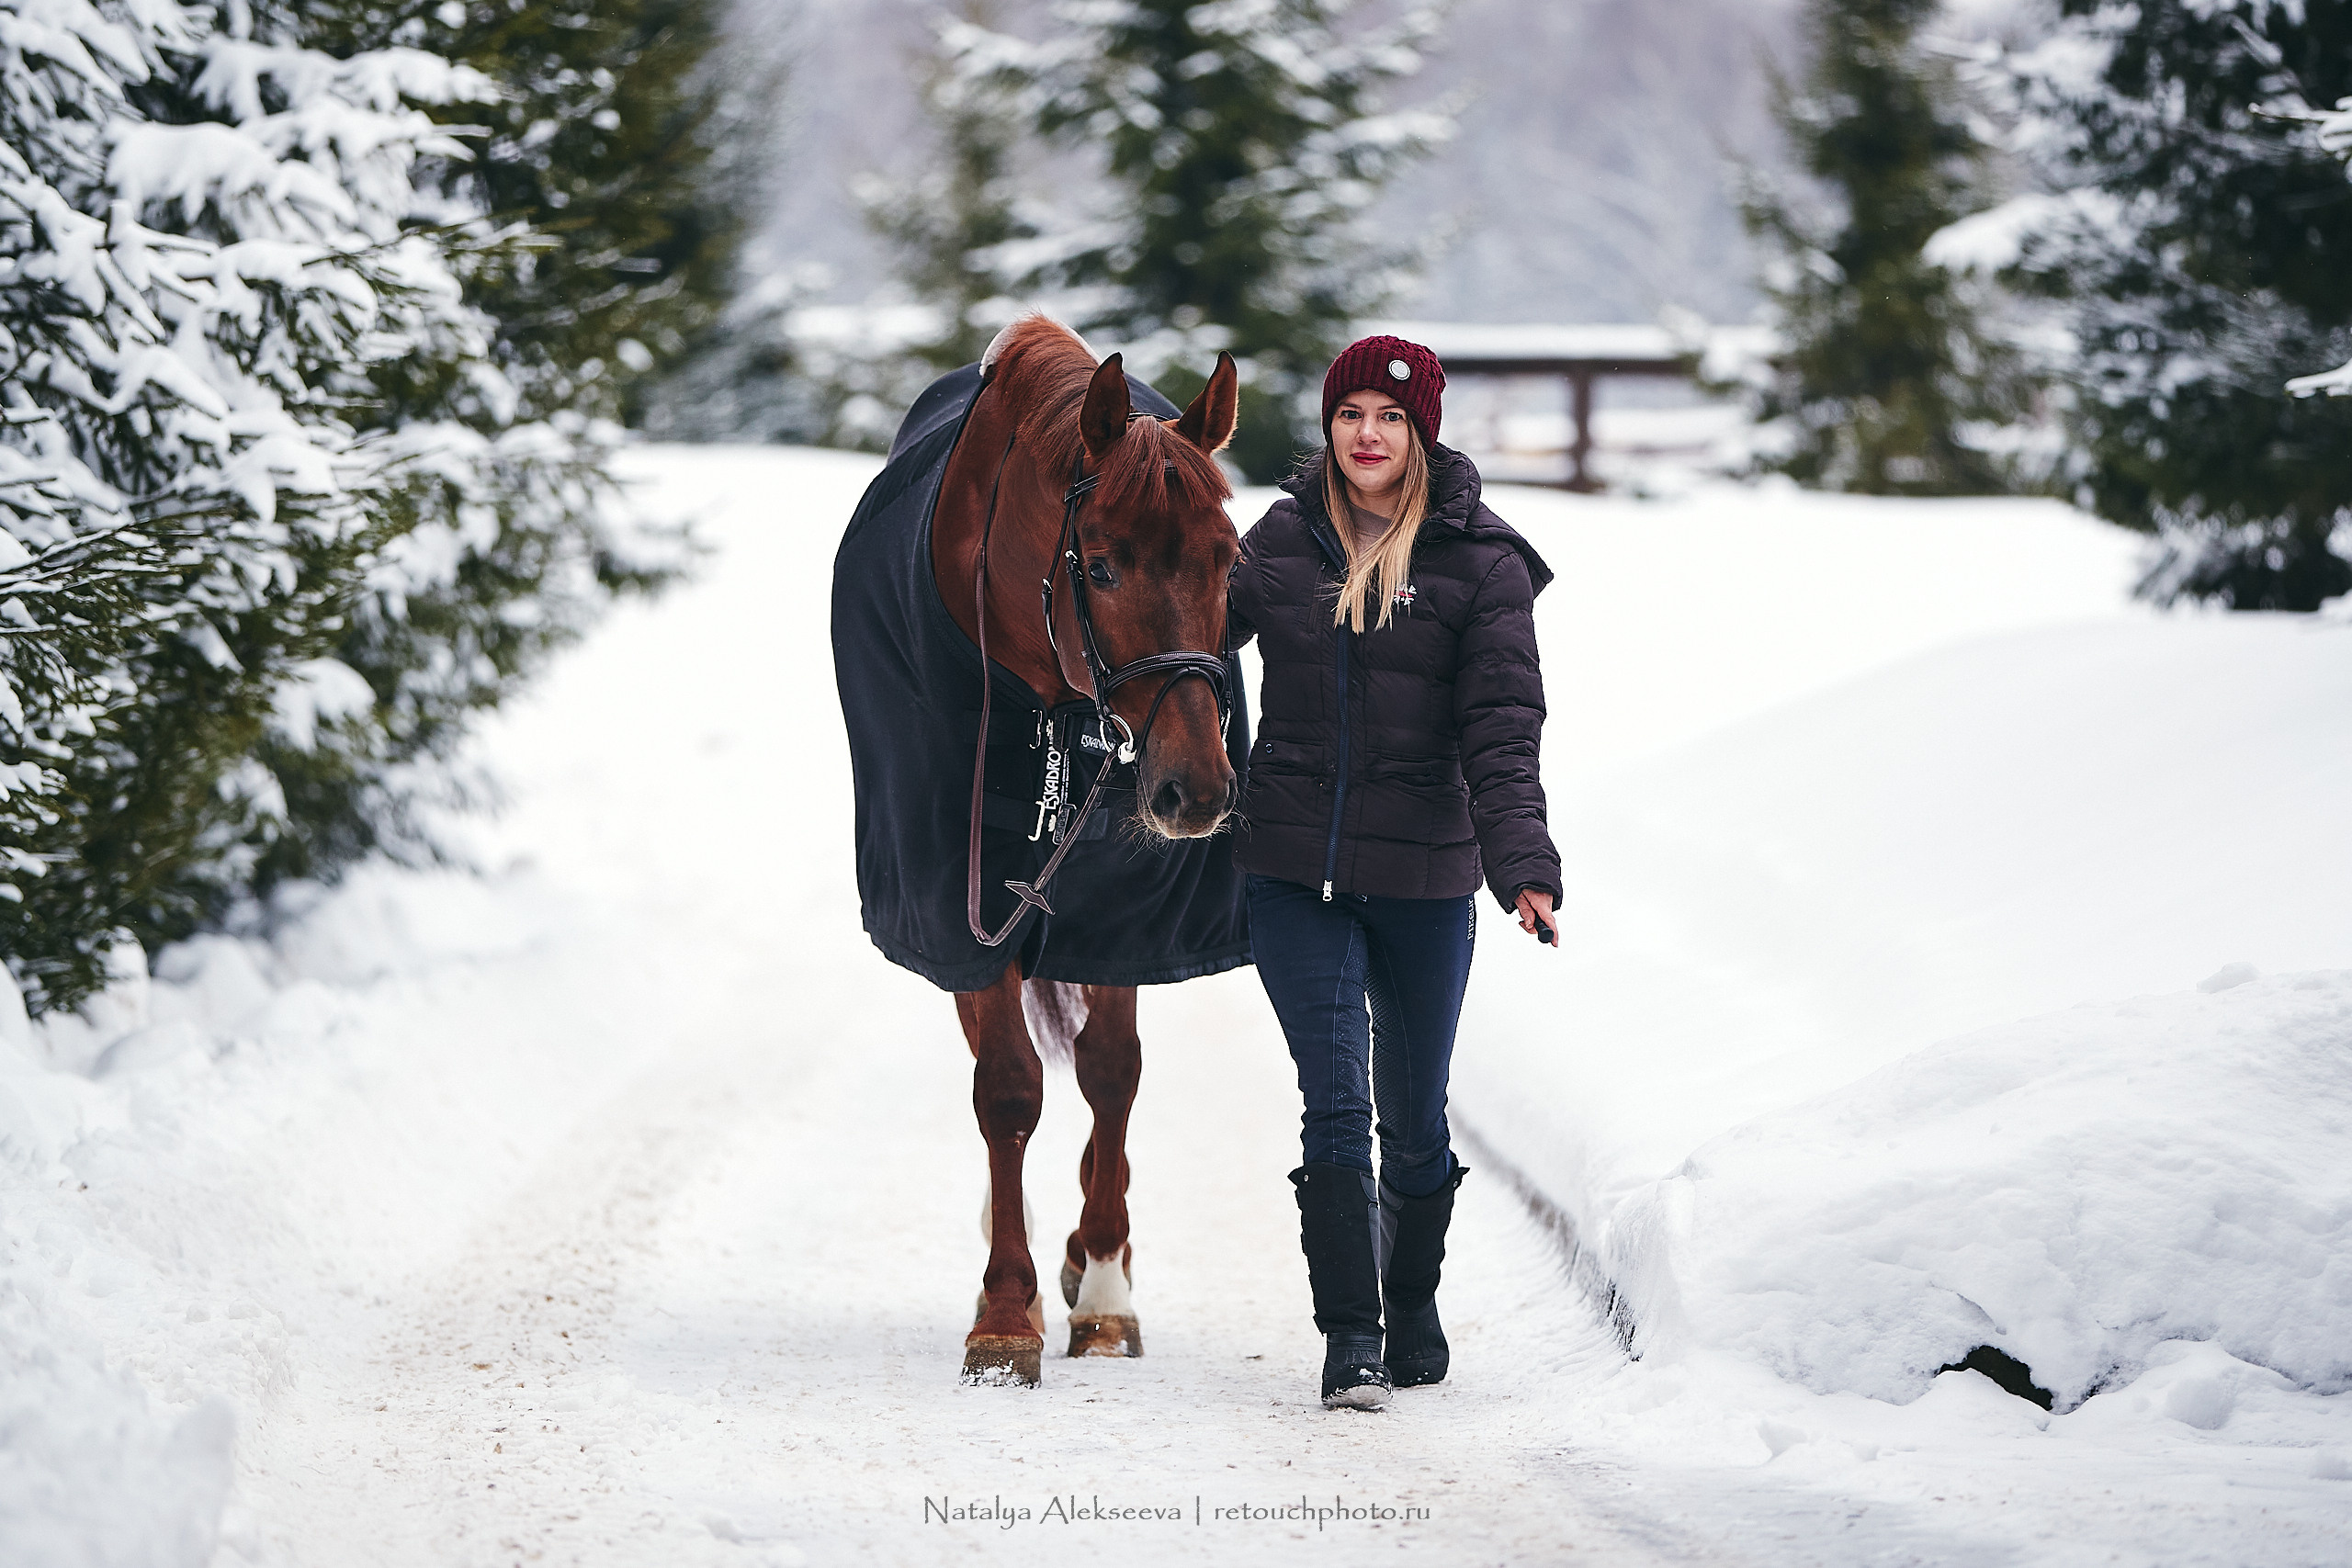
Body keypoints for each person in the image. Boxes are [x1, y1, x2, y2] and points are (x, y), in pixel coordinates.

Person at [1226, 334, 1562, 1411]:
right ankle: (1351, 1335)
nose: (1366, 435)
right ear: (1325, 427)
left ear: (1421, 432)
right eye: (1348, 414)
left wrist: (1522, 864)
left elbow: (1503, 731)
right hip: (1290, 872)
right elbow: (1179, 635)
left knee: (1414, 1121)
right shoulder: (1277, 543)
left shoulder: (1478, 561)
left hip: (1424, 876)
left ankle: (1409, 1301)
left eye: (1389, 417)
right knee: (1333, 1100)